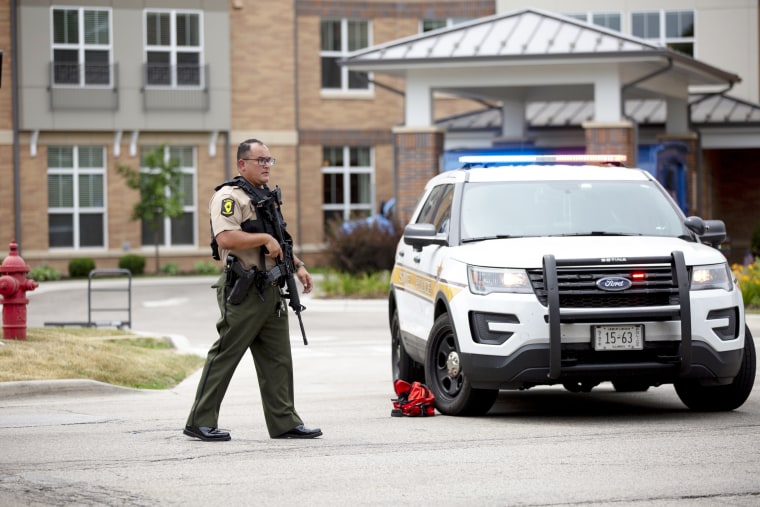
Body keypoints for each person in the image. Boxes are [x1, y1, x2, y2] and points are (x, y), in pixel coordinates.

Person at [183, 138, 321, 441]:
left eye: (270, 160)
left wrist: (298, 266)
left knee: (278, 359)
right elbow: (226, 238)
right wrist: (262, 241)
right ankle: (199, 420)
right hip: (244, 289)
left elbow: (279, 239)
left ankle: (284, 421)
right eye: (261, 160)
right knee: (225, 356)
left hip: (271, 288)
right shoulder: (229, 197)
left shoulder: (265, 197)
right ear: (242, 164)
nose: (266, 165)